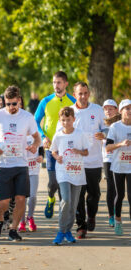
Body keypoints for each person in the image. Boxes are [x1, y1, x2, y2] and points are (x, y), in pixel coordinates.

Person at [0, 85, 41, 241]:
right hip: (3, 164)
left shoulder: (27, 117)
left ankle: (13, 229)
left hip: (21, 164)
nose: (11, 107)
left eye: (14, 103)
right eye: (8, 103)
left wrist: (34, 146)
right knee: (3, 201)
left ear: (19, 101)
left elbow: (37, 137)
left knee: (21, 199)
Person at [35, 71, 76, 219]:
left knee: (64, 183)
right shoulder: (45, 101)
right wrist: (43, 135)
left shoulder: (73, 101)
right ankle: (50, 198)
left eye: (59, 82)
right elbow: (35, 121)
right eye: (54, 82)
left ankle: (63, 216)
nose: (56, 85)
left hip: (68, 149)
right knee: (53, 182)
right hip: (51, 148)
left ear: (66, 84)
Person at [68, 82, 106, 239]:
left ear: (89, 93)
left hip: (94, 160)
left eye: (85, 93)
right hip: (77, 162)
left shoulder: (97, 110)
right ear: (74, 94)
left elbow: (107, 128)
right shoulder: (69, 111)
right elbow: (61, 131)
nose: (83, 96)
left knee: (94, 194)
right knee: (78, 195)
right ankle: (81, 226)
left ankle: (91, 215)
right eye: (80, 93)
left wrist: (103, 134)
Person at [50, 107, 89, 245]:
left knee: (73, 206)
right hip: (63, 172)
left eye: (68, 120)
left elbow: (86, 152)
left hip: (77, 173)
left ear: (74, 119)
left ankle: (68, 230)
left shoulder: (80, 134)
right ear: (60, 121)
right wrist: (57, 157)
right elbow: (53, 151)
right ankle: (61, 231)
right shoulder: (58, 135)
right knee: (65, 200)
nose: (66, 123)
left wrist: (78, 151)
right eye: (63, 120)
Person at [106, 99, 131, 235]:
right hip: (118, 166)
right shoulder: (115, 127)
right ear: (121, 111)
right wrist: (120, 144)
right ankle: (118, 220)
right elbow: (108, 147)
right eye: (127, 108)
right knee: (120, 195)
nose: (130, 111)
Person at [18, 134, 44, 232]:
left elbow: (41, 149)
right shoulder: (20, 134)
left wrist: (41, 156)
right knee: (22, 198)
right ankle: (22, 221)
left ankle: (30, 217)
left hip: (33, 171)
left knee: (32, 196)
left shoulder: (36, 136)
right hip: (22, 171)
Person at [102, 99, 120, 227]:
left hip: (122, 158)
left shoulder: (122, 123)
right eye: (106, 109)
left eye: (111, 108)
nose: (108, 111)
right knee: (110, 186)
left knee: (120, 189)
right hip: (107, 158)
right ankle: (111, 215)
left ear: (117, 110)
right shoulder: (101, 124)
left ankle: (116, 211)